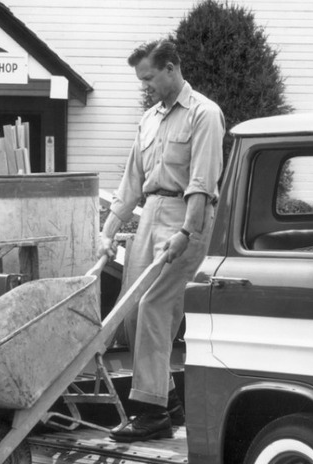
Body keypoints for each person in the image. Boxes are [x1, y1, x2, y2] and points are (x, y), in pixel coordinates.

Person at [98, 39, 225, 442]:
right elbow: (132, 181)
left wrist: (187, 232)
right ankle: (167, 402)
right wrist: (108, 229)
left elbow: (203, 184)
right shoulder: (149, 119)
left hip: (187, 218)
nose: (146, 86)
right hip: (150, 215)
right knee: (131, 309)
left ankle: (150, 414)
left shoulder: (205, 115)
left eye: (150, 77)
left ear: (171, 68)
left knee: (156, 307)